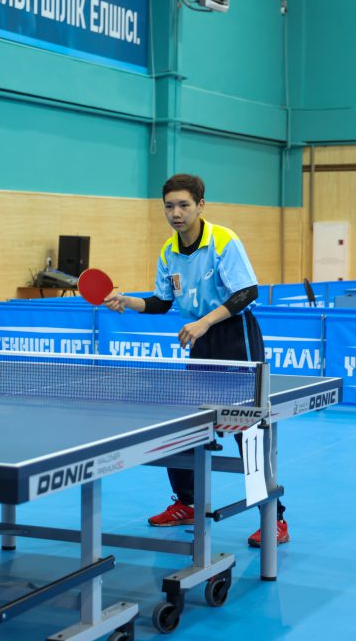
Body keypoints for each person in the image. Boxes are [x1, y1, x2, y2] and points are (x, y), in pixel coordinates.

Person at [104, 173, 287, 548]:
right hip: (200, 341)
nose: (176, 213)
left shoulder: (223, 240)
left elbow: (247, 292)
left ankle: (274, 517)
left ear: (200, 205)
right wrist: (128, 301)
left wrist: (204, 322)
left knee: (249, 430)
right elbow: (162, 302)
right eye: (169, 206)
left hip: (235, 337)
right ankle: (187, 502)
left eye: (184, 205)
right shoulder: (168, 251)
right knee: (187, 423)